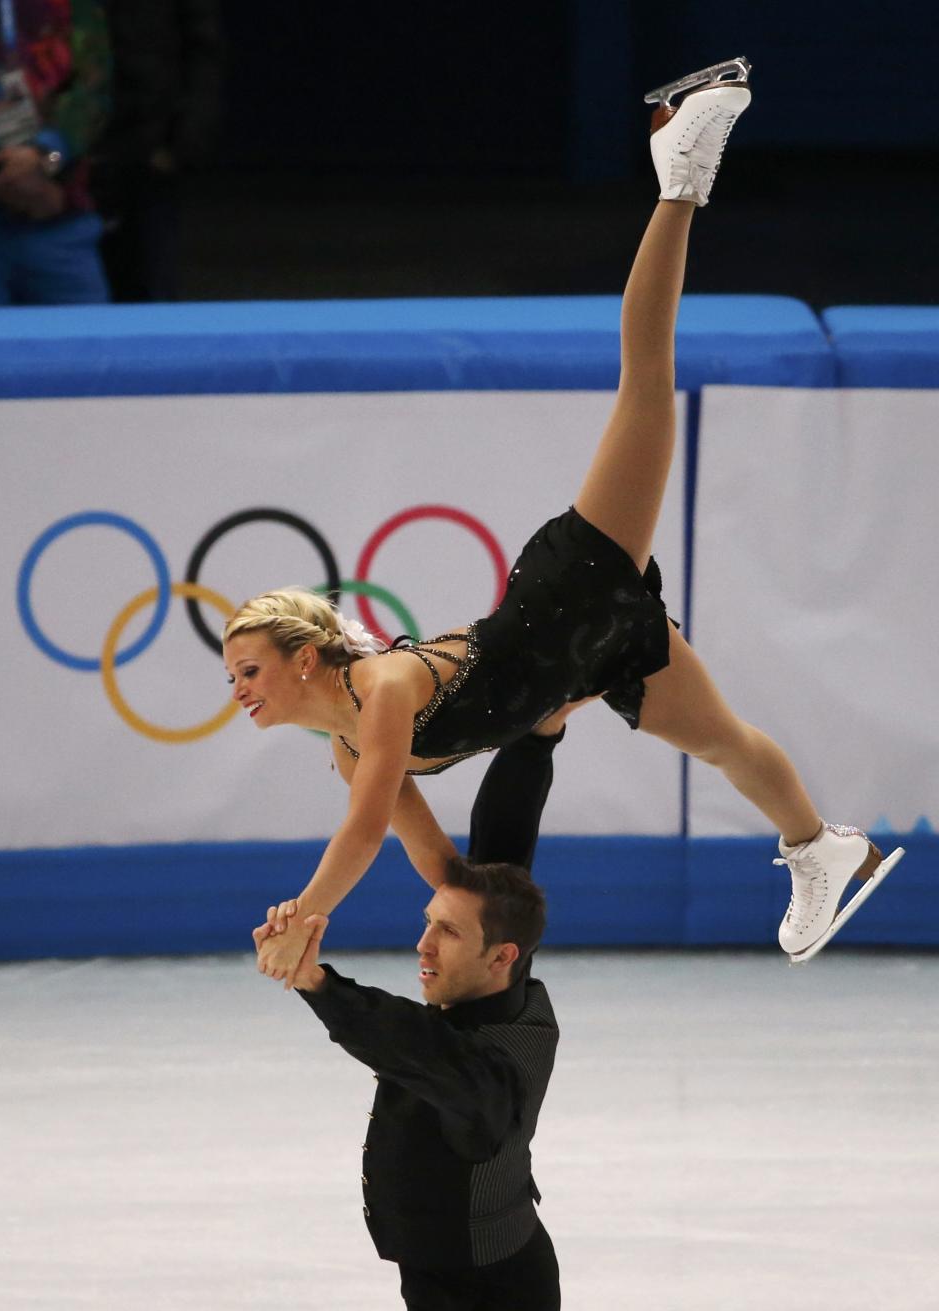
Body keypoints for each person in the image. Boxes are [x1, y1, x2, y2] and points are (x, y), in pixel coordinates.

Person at [223, 56, 903, 977]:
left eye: (248, 667)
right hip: (585, 657)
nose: (239, 689)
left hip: (563, 595)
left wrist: (306, 913)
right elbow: (443, 867)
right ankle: (824, 848)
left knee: (646, 383)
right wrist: (464, 952)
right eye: (234, 675)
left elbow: (371, 821)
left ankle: (682, 173)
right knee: (725, 741)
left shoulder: (377, 693)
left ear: (305, 657)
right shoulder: (346, 750)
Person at [269, 856, 561, 1311]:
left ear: (503, 956)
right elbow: (506, 813)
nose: (423, 944)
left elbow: (412, 1044)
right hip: (461, 1270)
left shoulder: (489, 1072)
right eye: (429, 922)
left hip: (483, 1292)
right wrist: (397, 788)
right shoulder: (508, 979)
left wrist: (316, 980)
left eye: (449, 932)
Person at [0, 0, 111, 305]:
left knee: (86, 348)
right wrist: (3, 175)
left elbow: (94, 89)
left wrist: (46, 158)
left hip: (57, 221)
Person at [95, 0, 225, 302]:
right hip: (69, 164)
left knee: (149, 288)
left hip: (148, 156)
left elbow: (204, 55)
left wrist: (181, 146)